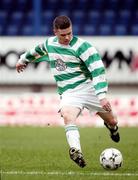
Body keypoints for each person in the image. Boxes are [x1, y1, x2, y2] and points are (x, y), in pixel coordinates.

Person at [16, 15, 120, 168]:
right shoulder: (49, 43)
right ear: (55, 32)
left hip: (89, 88)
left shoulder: (83, 47)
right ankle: (76, 151)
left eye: (69, 33)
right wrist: (23, 60)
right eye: (63, 34)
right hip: (69, 93)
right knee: (67, 116)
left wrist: (102, 96)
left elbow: (98, 70)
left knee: (112, 120)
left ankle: (113, 129)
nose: (67, 37)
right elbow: (36, 51)